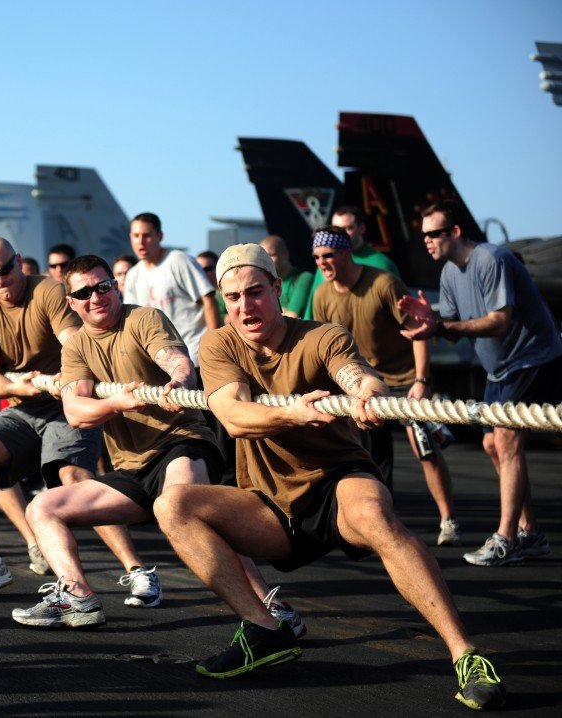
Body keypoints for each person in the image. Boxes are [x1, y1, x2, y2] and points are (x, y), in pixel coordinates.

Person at [155, 243, 505, 710]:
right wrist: (295, 414)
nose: (245, 306)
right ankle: (264, 629)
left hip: (338, 482)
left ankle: (466, 654)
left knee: (376, 518)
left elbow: (357, 375)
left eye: (255, 292)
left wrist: (368, 394)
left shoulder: (321, 336)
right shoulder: (221, 343)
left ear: (277, 289)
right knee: (173, 505)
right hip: (271, 504)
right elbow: (234, 416)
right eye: (233, 297)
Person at [12, 255, 294, 630]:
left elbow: (176, 360)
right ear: (71, 302)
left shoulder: (143, 318)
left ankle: (269, 609)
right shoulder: (77, 345)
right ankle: (77, 599)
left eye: (102, 286)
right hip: (132, 469)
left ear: (115, 286)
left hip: (182, 444)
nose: (95, 297)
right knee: (41, 508)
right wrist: (118, 403)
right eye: (83, 293)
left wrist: (178, 380)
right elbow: (76, 411)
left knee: (184, 506)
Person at [0, 238, 139, 601]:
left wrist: (68, 378)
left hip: (64, 402)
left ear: (19, 261)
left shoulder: (48, 290)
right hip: (24, 407)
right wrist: (17, 387)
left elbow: (74, 341)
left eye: (5, 270)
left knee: (73, 477)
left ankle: (137, 570)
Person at [400, 200, 561, 566]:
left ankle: (506, 539)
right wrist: (432, 322)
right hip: (499, 369)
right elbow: (452, 327)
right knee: (491, 443)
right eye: (423, 235)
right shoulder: (449, 274)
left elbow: (499, 321)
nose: (426, 241)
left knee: (506, 439)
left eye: (433, 234)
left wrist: (442, 326)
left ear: (455, 232)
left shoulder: (492, 259)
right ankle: (531, 532)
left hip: (533, 358)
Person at [311, 227, 461, 545]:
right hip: (363, 386)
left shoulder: (383, 283)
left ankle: (449, 520)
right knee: (363, 455)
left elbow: (419, 332)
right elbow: (327, 349)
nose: (322, 263)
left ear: (346, 253)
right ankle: (377, 522)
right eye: (317, 257)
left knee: (425, 450)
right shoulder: (322, 294)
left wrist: (422, 381)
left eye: (328, 255)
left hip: (404, 381)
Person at [123, 212, 220, 369]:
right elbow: (131, 323)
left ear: (159, 236)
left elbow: (209, 301)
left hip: (196, 356)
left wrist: (215, 348)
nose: (140, 241)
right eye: (136, 236)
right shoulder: (133, 275)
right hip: (162, 365)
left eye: (146, 235)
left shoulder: (179, 260)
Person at [303, 205, 400, 319]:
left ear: (361, 228)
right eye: (335, 229)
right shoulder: (325, 265)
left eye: (347, 228)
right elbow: (312, 313)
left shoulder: (382, 264)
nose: (340, 234)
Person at [259, 235, 312, 318]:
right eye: (263, 257)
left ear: (286, 254)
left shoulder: (303, 278)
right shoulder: (264, 282)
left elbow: (292, 316)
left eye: (271, 255)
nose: (266, 261)